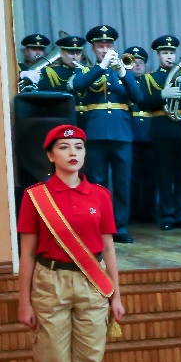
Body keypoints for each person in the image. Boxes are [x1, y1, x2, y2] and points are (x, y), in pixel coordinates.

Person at [16, 125, 126, 362]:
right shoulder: (36, 197)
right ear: (50, 155)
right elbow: (28, 253)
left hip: (92, 284)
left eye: (78, 146)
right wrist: (24, 301)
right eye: (64, 147)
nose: (73, 153)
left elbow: (108, 248)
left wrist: (116, 296)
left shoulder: (100, 195)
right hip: (50, 283)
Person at [70, 25, 139, 243]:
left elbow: (138, 97)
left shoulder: (122, 72)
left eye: (108, 46)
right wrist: (101, 66)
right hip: (97, 133)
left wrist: (121, 72)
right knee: (97, 182)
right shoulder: (85, 70)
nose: (105, 49)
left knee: (122, 182)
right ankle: (97, 226)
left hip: (122, 133)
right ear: (93, 49)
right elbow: (79, 86)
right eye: (100, 46)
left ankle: (120, 227)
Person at [140, 35, 181, 231]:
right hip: (161, 129)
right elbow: (143, 101)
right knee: (164, 176)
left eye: (171, 52)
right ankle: (167, 215)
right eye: (165, 53)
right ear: (158, 55)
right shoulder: (149, 78)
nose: (169, 56)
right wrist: (162, 95)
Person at [126, 48, 157, 224]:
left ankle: (149, 211)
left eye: (141, 63)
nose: (137, 66)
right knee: (131, 177)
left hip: (149, 133)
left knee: (150, 177)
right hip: (130, 133)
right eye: (133, 63)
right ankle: (132, 212)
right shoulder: (123, 81)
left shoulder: (151, 81)